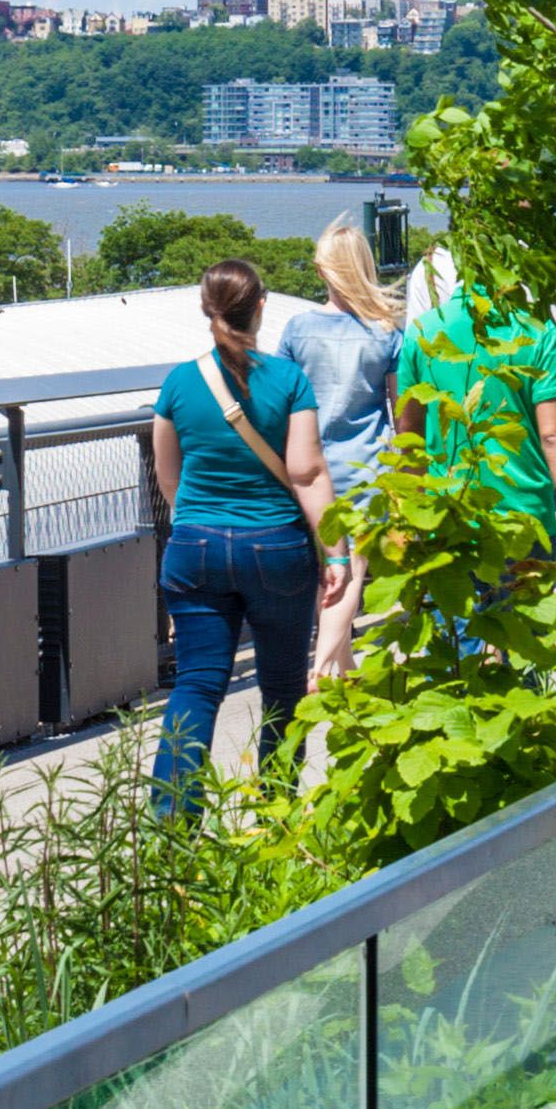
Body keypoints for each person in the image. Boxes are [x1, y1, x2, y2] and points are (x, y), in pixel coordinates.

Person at [150, 259, 335, 827]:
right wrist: (337, 551)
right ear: (260, 307)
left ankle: (173, 826)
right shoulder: (289, 380)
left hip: (195, 549)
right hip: (277, 548)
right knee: (283, 688)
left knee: (197, 685)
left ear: (206, 309)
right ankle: (275, 815)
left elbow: (168, 476)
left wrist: (200, 525)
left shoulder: (180, 381)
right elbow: (306, 472)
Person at [395, 245, 556, 565]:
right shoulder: (539, 332)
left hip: (447, 518)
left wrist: (408, 518)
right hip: (525, 518)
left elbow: (409, 434)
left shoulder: (422, 332)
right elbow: (554, 434)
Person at [284, 222, 405, 675]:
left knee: (327, 567)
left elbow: (279, 401)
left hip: (306, 467)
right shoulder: (386, 332)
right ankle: (323, 668)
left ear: (322, 269)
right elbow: (400, 408)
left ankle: (338, 666)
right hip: (366, 466)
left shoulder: (297, 330)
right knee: (350, 568)